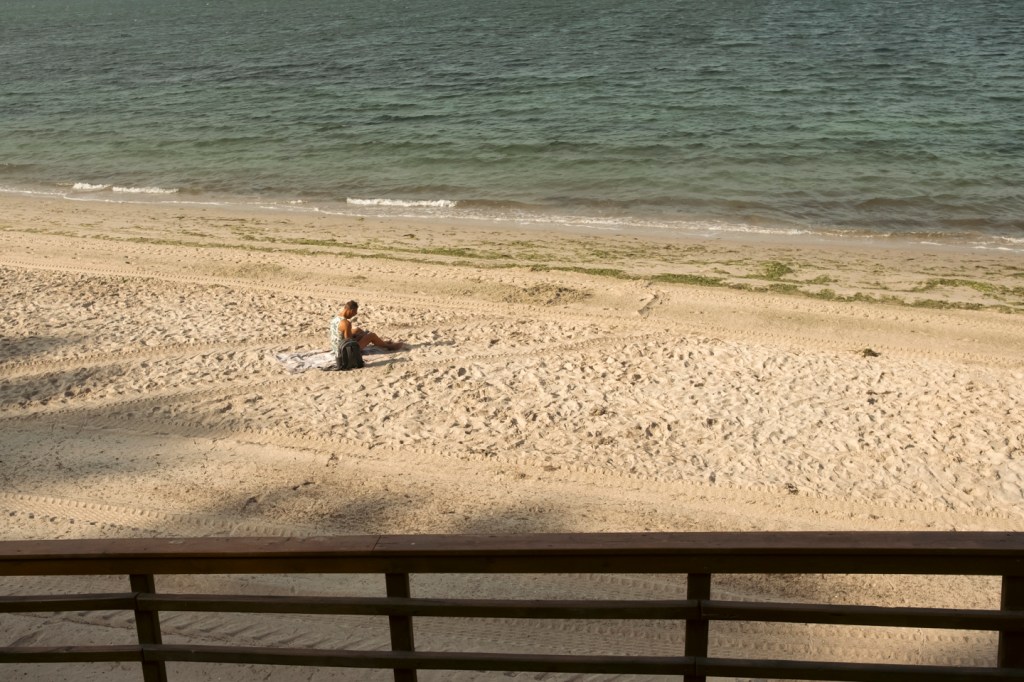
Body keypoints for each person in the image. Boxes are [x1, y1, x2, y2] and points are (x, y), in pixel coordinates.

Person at [329, 300, 403, 354]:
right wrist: (359, 337)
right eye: (354, 313)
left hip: (336, 347)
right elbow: (349, 344)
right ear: (351, 310)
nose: (354, 315)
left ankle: (380, 342)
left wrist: (358, 336)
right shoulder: (346, 323)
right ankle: (389, 346)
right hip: (345, 351)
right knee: (371, 335)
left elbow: (342, 334)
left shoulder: (335, 318)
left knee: (357, 330)